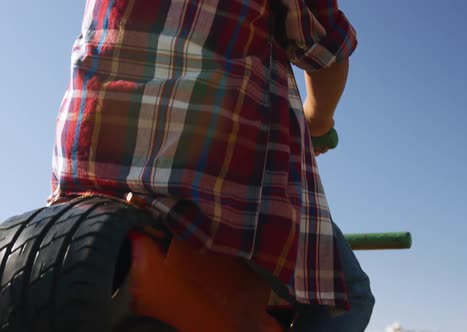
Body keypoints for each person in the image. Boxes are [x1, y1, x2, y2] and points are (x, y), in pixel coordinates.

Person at [49, 0, 374, 330]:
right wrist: (318, 122)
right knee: (349, 294)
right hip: (215, 168)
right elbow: (328, 53)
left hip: (88, 164)